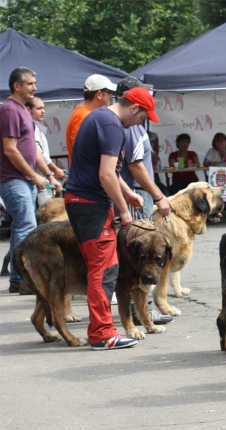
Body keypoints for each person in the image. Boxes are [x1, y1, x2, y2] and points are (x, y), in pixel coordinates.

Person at [65, 86, 160, 350]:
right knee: (103, 270)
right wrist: (123, 210)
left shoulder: (100, 118)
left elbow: (110, 171)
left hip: (86, 201)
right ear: (133, 108)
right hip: (90, 204)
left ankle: (103, 329)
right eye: (142, 117)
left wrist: (128, 194)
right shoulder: (112, 125)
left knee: (106, 268)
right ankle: (102, 334)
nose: (141, 122)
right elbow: (106, 175)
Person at [115, 77, 174, 327]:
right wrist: (159, 196)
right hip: (136, 194)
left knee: (139, 255)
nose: (152, 100)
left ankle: (141, 313)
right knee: (138, 255)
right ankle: (141, 313)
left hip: (134, 193)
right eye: (147, 95)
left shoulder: (129, 125)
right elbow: (135, 165)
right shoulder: (134, 126)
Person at [0, 67, 60, 295]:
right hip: (14, 179)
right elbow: (10, 150)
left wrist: (47, 173)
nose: (34, 87)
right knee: (26, 226)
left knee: (23, 226)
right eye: (30, 83)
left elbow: (32, 149)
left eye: (34, 83)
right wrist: (35, 176)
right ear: (17, 86)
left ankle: (19, 277)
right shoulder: (9, 110)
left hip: (25, 179)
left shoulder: (23, 110)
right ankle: (20, 278)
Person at [65, 74, 117, 166]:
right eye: (109, 92)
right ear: (100, 94)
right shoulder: (84, 115)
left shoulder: (85, 113)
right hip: (85, 176)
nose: (111, 96)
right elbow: (79, 150)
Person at [25, 97, 67, 206]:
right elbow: (39, 154)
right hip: (39, 181)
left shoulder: (36, 126)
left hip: (42, 179)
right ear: (28, 110)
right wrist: (54, 171)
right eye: (39, 108)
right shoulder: (30, 128)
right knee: (44, 217)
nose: (43, 111)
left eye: (43, 108)